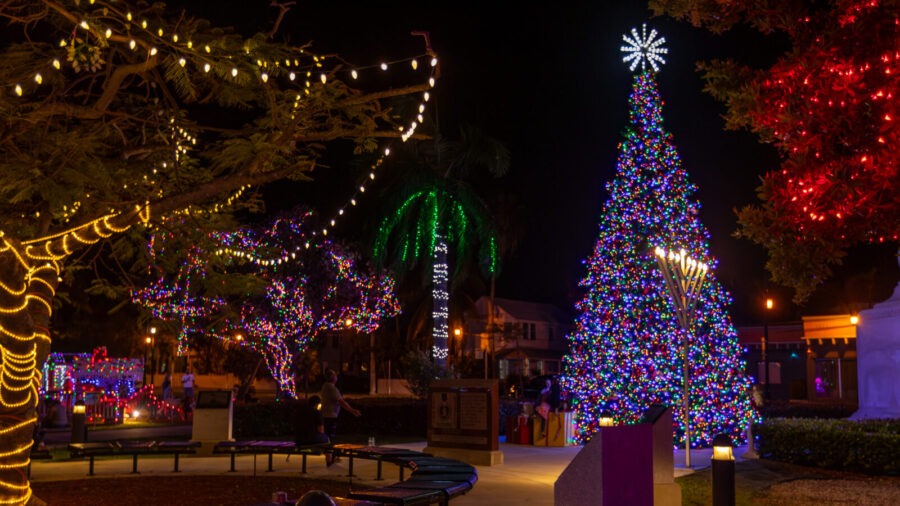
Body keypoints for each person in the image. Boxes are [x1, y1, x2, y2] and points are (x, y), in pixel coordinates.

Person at [319, 368, 360, 444]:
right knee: (330, 436)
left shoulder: (325, 386)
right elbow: (341, 402)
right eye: (335, 375)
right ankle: (330, 454)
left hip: (326, 415)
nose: (336, 376)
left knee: (328, 435)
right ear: (333, 377)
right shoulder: (331, 388)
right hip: (331, 416)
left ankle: (329, 454)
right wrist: (352, 410)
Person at [295, 395, 334, 465]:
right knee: (327, 440)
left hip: (299, 440)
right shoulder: (316, 412)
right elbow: (320, 430)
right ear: (317, 404)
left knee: (323, 439)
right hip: (311, 439)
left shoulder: (299, 412)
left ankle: (324, 454)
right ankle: (329, 461)